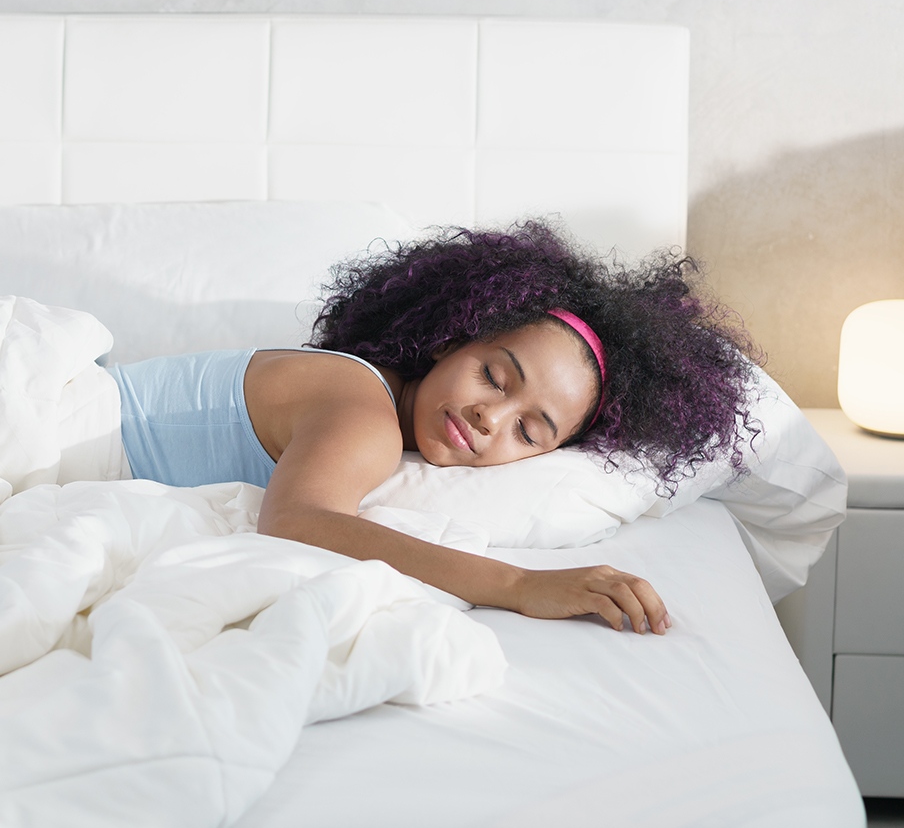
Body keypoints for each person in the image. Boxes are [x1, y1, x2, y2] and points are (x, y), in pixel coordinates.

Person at [107, 221, 758, 636]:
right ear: (452, 337)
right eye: (493, 377)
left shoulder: (379, 406)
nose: (489, 417)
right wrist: (521, 585)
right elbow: (298, 521)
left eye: (529, 433)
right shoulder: (363, 412)